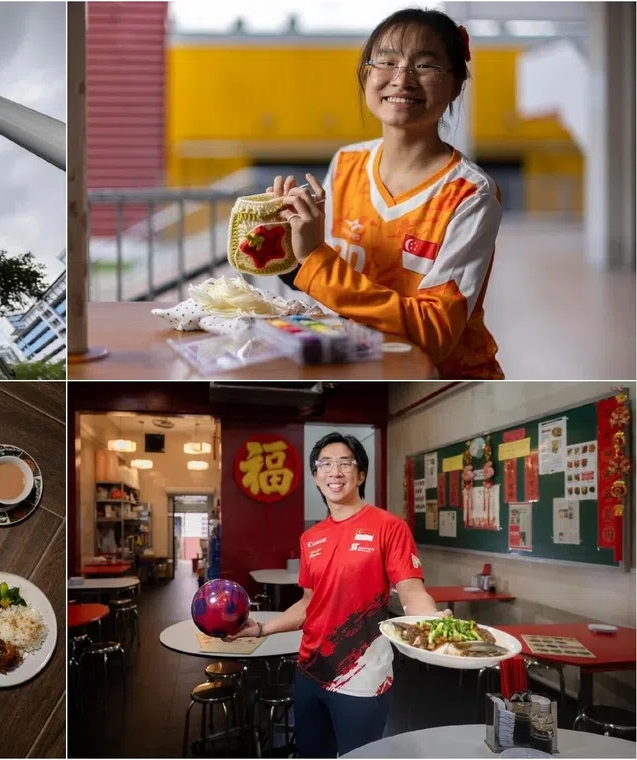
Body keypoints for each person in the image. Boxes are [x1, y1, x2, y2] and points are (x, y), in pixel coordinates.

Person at [266, 9, 504, 379]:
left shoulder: (470, 195)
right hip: (358, 370)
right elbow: (329, 285)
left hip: (437, 380)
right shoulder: (347, 162)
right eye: (387, 61)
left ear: (456, 84)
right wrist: (287, 247)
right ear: (366, 74)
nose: (401, 78)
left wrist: (314, 259)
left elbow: (434, 332)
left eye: (425, 66)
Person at [225, 432, 446, 758]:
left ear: (361, 475)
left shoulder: (389, 527)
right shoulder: (311, 538)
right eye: (325, 464)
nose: (335, 471)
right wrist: (259, 629)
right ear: (316, 476)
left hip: (363, 677)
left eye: (345, 463)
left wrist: (428, 621)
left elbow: (412, 590)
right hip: (309, 673)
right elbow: (308, 604)